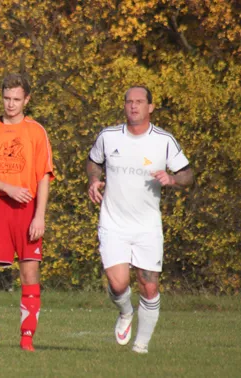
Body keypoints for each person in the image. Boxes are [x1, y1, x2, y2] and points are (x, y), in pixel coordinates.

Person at [86, 86, 194, 354]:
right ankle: (125, 312)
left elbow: (188, 174)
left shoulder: (164, 140)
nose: (133, 106)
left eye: (139, 102)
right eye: (129, 102)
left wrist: (173, 179)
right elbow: (93, 161)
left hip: (147, 226)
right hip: (113, 223)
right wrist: (94, 180)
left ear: (150, 107)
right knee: (118, 283)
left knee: (148, 285)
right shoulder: (109, 137)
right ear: (124, 106)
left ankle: (141, 347)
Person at [0, 73, 54, 352]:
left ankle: (27, 338)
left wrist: (39, 215)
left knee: (30, 274)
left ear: (26, 100)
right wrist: (8, 188)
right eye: (7, 98)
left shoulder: (36, 131)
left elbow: (43, 175)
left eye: (17, 99)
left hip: (27, 208)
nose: (11, 104)